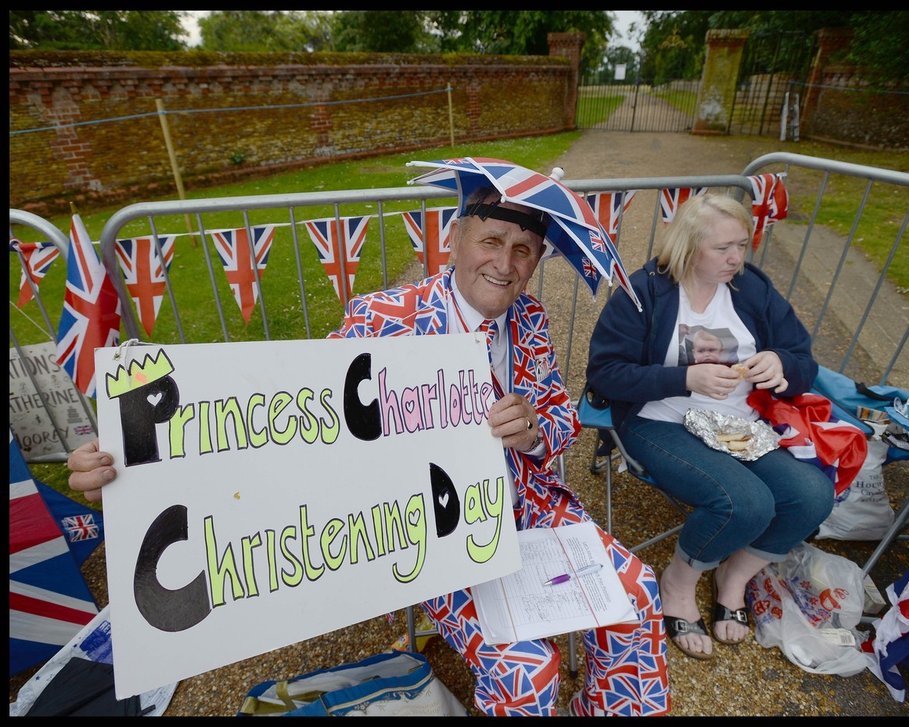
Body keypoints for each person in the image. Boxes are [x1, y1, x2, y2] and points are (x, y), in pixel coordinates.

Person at [68, 180, 671, 716]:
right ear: (456, 240)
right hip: (428, 530)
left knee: (637, 593)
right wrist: (133, 465)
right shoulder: (384, 318)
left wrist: (537, 426)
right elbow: (280, 420)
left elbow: (562, 417)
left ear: (537, 261)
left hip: (529, 505)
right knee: (528, 669)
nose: (504, 263)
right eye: (491, 241)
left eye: (523, 251)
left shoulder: (530, 319)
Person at [586, 193, 834, 661]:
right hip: (659, 420)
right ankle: (679, 582)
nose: (736, 258)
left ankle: (733, 577)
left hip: (736, 423)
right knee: (745, 503)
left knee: (813, 496)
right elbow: (604, 373)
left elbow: (803, 360)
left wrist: (780, 364)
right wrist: (684, 377)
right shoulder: (644, 292)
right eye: (722, 248)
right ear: (687, 246)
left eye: (741, 244)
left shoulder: (750, 289)